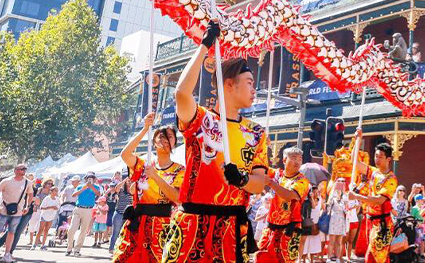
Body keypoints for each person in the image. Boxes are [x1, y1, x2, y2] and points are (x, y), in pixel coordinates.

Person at [161, 21, 271, 263]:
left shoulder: (256, 133)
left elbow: (258, 185)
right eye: (250, 83)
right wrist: (204, 46)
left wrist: (241, 180)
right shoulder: (201, 119)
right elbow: (181, 93)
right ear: (229, 84)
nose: (255, 90)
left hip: (232, 229)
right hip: (192, 222)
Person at [112, 111, 184, 263]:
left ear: (174, 143)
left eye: (169, 136)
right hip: (137, 224)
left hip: (162, 227)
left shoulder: (179, 170)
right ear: (154, 142)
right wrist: (145, 129)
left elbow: (176, 197)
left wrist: (156, 177)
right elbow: (125, 155)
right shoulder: (143, 165)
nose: (165, 139)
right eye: (161, 136)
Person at [349, 133, 398, 263]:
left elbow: (379, 200)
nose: (377, 159)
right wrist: (358, 140)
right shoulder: (373, 172)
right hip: (370, 221)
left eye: (380, 157)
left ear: (388, 159)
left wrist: (356, 196)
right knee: (377, 257)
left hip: (383, 223)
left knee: (373, 257)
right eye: (376, 156)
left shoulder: (391, 179)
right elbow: (354, 161)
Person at [257, 146, 310, 263]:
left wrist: (270, 183)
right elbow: (261, 166)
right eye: (294, 158)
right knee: (261, 257)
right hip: (271, 227)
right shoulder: (277, 174)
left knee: (285, 260)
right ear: (284, 160)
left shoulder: (302, 181)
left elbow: (289, 195)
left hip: (290, 229)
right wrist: (263, 147)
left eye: (300, 159)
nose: (298, 161)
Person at [0, 163, 33, 262]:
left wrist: (27, 206)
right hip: (3, 210)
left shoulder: (28, 182)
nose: (23, 171)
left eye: (24, 169)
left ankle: (7, 254)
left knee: (11, 233)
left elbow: (30, 195)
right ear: (15, 170)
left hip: (17, 212)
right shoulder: (7, 181)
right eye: (21, 169)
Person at [67, 172, 101, 256]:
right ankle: (69, 248)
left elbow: (98, 194)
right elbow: (74, 194)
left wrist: (91, 187)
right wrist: (84, 188)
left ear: (94, 179)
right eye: (89, 177)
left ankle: (77, 250)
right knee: (71, 229)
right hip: (78, 208)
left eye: (92, 178)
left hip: (88, 210)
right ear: (85, 179)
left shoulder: (96, 187)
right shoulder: (80, 186)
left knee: (83, 231)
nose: (90, 179)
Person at [326, 178, 350, 263]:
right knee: (332, 240)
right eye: (339, 181)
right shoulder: (332, 194)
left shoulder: (345, 195)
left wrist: (346, 209)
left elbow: (347, 208)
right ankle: (329, 258)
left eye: (343, 181)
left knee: (339, 241)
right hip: (333, 217)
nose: (341, 183)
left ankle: (338, 258)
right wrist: (333, 198)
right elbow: (328, 206)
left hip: (341, 218)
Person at [108, 177, 133, 252]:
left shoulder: (134, 191)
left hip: (128, 215)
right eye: (128, 181)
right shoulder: (122, 190)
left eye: (130, 181)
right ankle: (112, 248)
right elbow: (116, 188)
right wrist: (124, 180)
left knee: (126, 233)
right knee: (115, 232)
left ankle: (121, 249)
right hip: (119, 213)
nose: (129, 183)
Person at [34, 185, 59, 250]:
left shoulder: (57, 199)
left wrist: (56, 208)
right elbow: (41, 207)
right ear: (51, 191)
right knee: (40, 230)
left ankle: (43, 245)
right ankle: (34, 244)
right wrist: (51, 207)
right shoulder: (47, 198)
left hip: (51, 216)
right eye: (55, 191)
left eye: (57, 191)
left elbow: (58, 207)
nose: (56, 192)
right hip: (44, 216)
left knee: (46, 231)